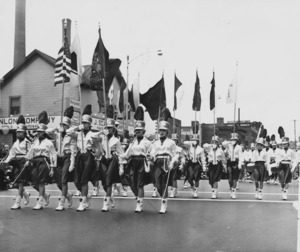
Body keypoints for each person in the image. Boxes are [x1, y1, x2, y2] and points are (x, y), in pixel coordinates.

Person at [122, 106, 152, 212]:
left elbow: (150, 154)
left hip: (142, 162)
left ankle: (139, 204)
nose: (138, 132)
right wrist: (119, 155)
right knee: (131, 182)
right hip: (132, 162)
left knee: (140, 184)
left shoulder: (147, 142)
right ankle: (138, 197)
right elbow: (127, 154)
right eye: (137, 131)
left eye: (140, 131)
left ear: (143, 132)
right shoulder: (132, 142)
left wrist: (148, 163)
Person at [25, 111, 57, 210]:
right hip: (35, 161)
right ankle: (45, 195)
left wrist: (52, 168)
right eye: (38, 131)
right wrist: (28, 160)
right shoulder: (35, 141)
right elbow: (31, 151)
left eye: (40, 131)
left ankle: (40, 201)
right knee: (34, 183)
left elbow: (53, 154)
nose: (38, 133)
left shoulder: (49, 142)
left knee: (41, 182)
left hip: (44, 161)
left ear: (44, 132)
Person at [74, 105, 102, 211]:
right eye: (83, 122)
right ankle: (86, 196)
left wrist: (97, 158)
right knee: (77, 181)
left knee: (84, 180)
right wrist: (78, 127)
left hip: (88, 156)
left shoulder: (92, 135)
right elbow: (68, 132)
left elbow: (98, 147)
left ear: (89, 125)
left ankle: (83, 202)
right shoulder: (77, 134)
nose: (83, 124)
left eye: (85, 123)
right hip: (79, 156)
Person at [149, 108, 177, 214]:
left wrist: (172, 162)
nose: (161, 132)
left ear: (167, 132)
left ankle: (163, 204)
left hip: (166, 162)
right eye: (160, 130)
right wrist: (150, 157)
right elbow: (152, 152)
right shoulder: (155, 142)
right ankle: (163, 197)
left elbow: (175, 154)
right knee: (157, 184)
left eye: (163, 131)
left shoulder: (171, 142)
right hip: (157, 162)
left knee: (164, 184)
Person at [3, 115, 31, 209]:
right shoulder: (15, 143)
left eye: (20, 132)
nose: (18, 134)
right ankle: (26, 194)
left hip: (24, 162)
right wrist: (6, 161)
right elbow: (11, 154)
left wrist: (28, 161)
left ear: (24, 133)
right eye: (17, 132)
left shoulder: (27, 142)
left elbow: (30, 153)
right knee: (14, 182)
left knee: (20, 182)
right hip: (16, 162)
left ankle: (18, 202)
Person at [100, 105, 125, 212]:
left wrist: (121, 167)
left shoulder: (116, 140)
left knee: (109, 181)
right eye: (106, 127)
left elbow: (121, 154)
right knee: (104, 182)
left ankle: (105, 203)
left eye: (110, 127)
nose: (108, 129)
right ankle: (111, 197)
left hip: (113, 159)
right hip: (103, 159)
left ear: (113, 128)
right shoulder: (101, 138)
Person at [54, 106, 77, 211]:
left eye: (65, 125)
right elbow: (48, 131)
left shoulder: (71, 136)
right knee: (58, 181)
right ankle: (68, 195)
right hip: (58, 158)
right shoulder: (58, 135)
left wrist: (72, 163)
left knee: (63, 180)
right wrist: (57, 128)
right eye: (62, 124)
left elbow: (73, 151)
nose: (62, 126)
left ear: (68, 126)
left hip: (67, 157)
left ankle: (61, 202)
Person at [184, 134, 206, 198]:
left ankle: (196, 191)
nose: (194, 141)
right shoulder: (189, 147)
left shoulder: (201, 149)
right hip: (190, 163)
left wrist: (204, 166)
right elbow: (185, 142)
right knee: (189, 178)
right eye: (193, 140)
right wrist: (191, 141)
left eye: (196, 140)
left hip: (197, 164)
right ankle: (193, 187)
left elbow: (203, 158)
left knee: (196, 178)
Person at [277, 136, 295, 200]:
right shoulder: (280, 151)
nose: (284, 145)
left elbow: (293, 159)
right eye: (283, 144)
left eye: (286, 144)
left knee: (287, 181)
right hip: (282, 165)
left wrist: (292, 166)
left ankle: (285, 193)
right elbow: (278, 159)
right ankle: (283, 190)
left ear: (288, 144)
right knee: (282, 180)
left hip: (288, 165)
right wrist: (277, 164)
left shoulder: (291, 151)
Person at [169, 133, 185, 198]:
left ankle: (173, 191)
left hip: (176, 164)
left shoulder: (179, 149)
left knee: (174, 178)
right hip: (168, 163)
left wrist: (182, 164)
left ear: (177, 141)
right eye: (172, 140)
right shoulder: (168, 148)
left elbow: (182, 157)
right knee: (169, 178)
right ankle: (174, 188)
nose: (174, 141)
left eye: (175, 140)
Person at [227, 133, 243, 199]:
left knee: (234, 178)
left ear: (237, 140)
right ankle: (231, 187)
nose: (233, 141)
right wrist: (229, 142)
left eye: (235, 140)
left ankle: (234, 191)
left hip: (236, 162)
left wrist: (239, 164)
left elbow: (241, 156)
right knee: (230, 178)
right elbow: (223, 144)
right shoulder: (229, 146)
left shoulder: (239, 147)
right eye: (232, 140)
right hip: (230, 162)